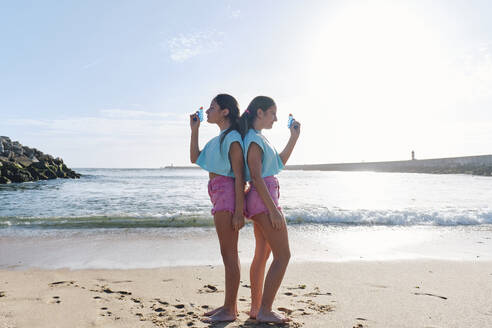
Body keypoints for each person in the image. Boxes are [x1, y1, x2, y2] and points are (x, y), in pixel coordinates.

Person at [239, 96, 300, 323]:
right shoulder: (254, 140)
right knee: (283, 256)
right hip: (265, 202)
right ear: (260, 113)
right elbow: (256, 176)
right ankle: (265, 310)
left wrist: (293, 137)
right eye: (273, 113)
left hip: (261, 202)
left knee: (262, 256)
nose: (276, 118)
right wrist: (274, 210)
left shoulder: (258, 138)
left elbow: (279, 163)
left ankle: (257, 309)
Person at [189, 94, 245, 323]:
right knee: (227, 253)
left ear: (225, 112)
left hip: (227, 194)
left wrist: (240, 211)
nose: (208, 110)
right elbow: (194, 158)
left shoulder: (231, 138)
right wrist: (195, 129)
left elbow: (240, 176)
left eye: (213, 107)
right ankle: (228, 305)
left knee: (229, 254)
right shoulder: (219, 138)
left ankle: (230, 310)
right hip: (219, 193)